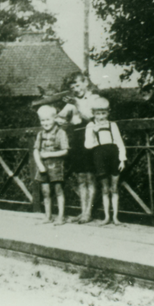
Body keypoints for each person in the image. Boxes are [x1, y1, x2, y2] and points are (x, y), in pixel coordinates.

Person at [56, 72, 100, 223]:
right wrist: (64, 122)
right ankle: (83, 212)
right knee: (81, 176)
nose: (75, 88)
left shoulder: (93, 98)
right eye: (72, 86)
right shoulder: (72, 102)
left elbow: (90, 117)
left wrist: (76, 104)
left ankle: (89, 212)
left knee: (90, 176)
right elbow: (59, 117)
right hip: (76, 139)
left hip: (91, 138)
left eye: (77, 84)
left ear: (86, 83)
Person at [85, 97, 127, 225]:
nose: (101, 116)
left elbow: (119, 142)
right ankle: (106, 217)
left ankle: (115, 217)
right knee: (104, 188)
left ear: (108, 112)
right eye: (98, 113)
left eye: (104, 113)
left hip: (113, 156)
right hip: (99, 157)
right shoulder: (90, 125)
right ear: (93, 113)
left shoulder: (112, 125)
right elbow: (87, 145)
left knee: (114, 188)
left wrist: (122, 159)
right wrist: (93, 132)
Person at [33, 105, 69, 225]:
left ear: (54, 119)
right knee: (45, 192)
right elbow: (36, 150)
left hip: (56, 165)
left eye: (48, 119)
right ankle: (48, 216)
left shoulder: (60, 132)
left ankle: (61, 217)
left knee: (58, 190)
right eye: (42, 120)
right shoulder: (40, 134)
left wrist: (48, 155)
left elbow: (65, 151)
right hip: (43, 166)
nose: (45, 123)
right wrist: (40, 165)